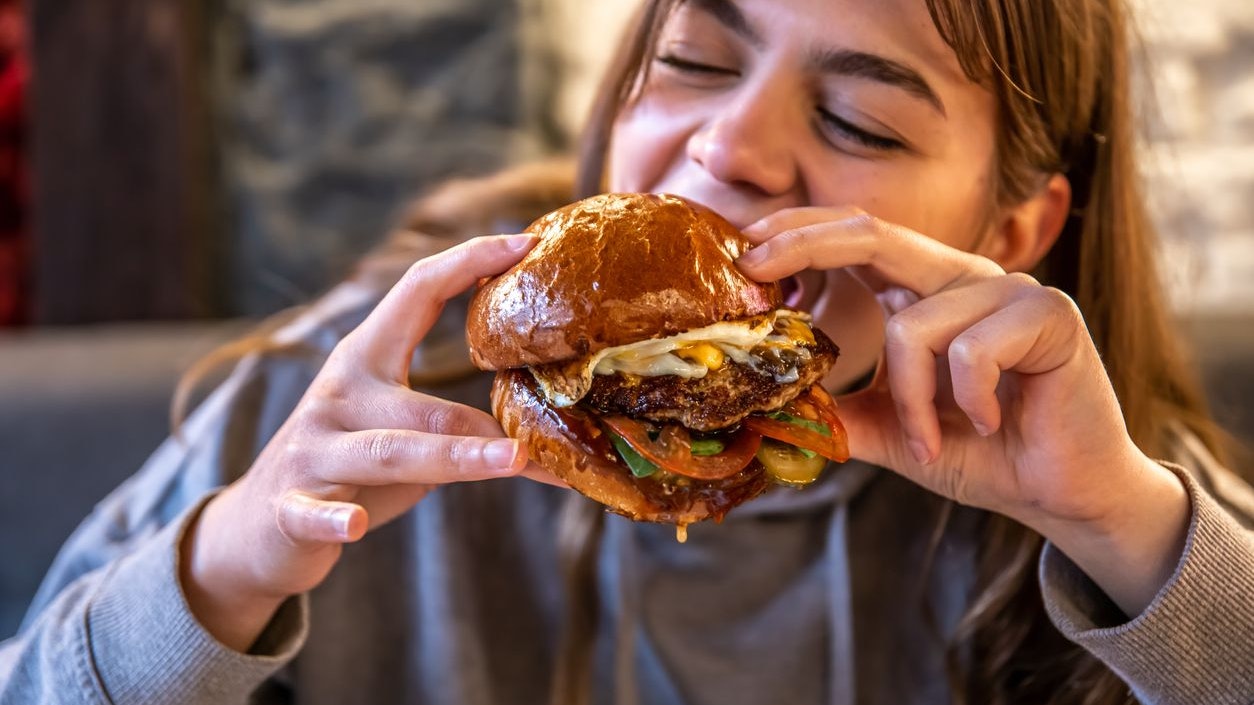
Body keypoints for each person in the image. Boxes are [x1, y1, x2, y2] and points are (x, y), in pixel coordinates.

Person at [3, 0, 1253, 703]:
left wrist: (1125, 535)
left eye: (857, 118)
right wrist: (229, 567)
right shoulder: (344, 411)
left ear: (1014, 229)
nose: (725, 147)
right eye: (695, 63)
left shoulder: (1116, 488)